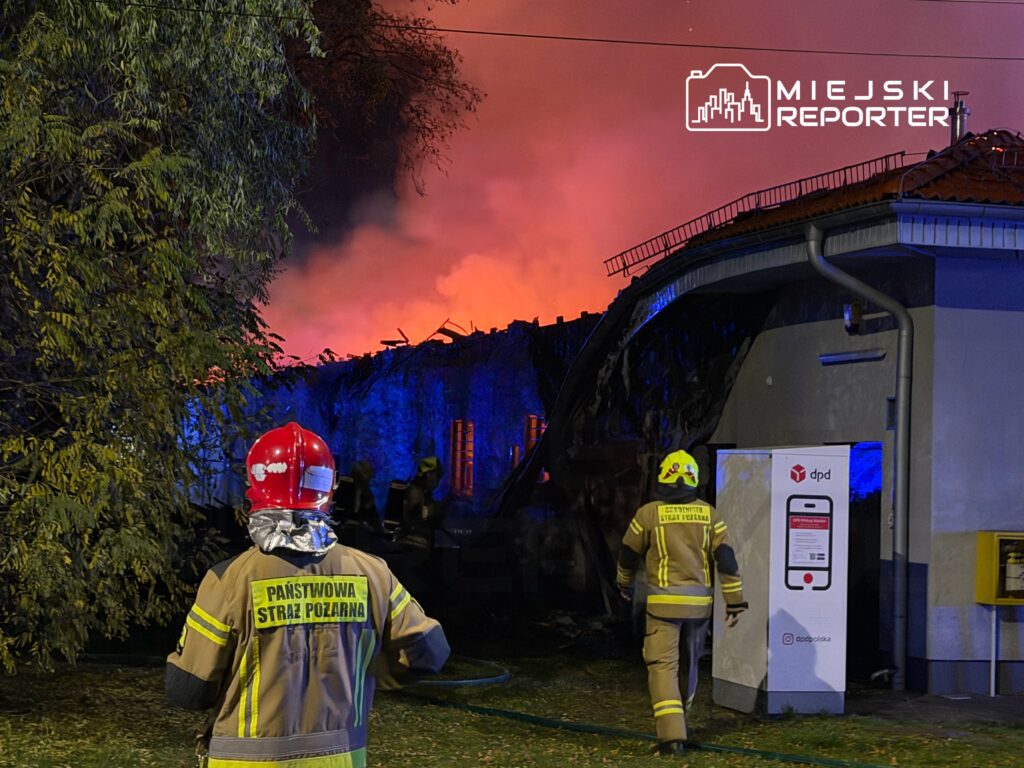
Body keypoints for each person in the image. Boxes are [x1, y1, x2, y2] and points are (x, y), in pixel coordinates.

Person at [166, 422, 449, 768]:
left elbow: (187, 689)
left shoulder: (229, 580)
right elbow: (430, 652)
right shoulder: (373, 573)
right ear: (327, 492)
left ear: (255, 490)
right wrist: (364, 670)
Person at [616, 449, 747, 757]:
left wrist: (623, 583)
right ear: (693, 480)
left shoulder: (648, 514)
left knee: (663, 666)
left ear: (664, 477)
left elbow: (628, 553)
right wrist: (735, 602)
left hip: (662, 607)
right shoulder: (710, 515)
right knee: (689, 663)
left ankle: (672, 736)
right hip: (699, 608)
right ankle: (682, 719)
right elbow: (726, 560)